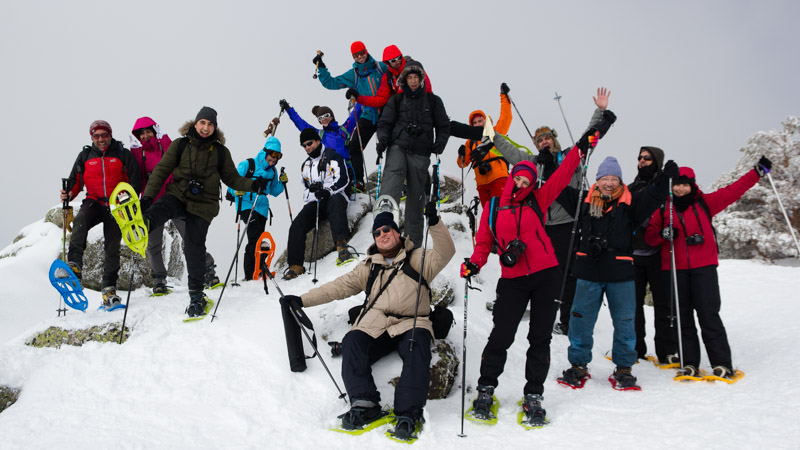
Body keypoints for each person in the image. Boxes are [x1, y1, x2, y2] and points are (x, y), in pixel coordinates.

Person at [280, 203, 455, 439]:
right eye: (377, 232)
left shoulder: (418, 258)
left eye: (386, 229)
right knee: (353, 341)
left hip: (412, 323)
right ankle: (365, 403)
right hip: (377, 325)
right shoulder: (369, 266)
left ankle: (408, 413)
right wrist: (302, 300)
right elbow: (338, 287)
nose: (382, 235)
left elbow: (446, 253)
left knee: (416, 348)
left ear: (397, 232)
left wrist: (434, 223)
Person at [459, 129, 596, 426]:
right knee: (501, 337)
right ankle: (486, 389)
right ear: (511, 178)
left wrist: (585, 142)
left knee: (539, 339)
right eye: (518, 179)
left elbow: (564, 172)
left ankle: (534, 394)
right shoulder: (494, 208)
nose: (521, 184)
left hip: (546, 276)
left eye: (527, 181)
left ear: (532, 184)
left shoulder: (539, 198)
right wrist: (473, 264)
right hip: (513, 280)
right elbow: (483, 244)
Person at [555, 155, 678, 390]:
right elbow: (557, 186)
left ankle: (624, 368)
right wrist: (552, 164)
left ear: (619, 181)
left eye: (614, 178)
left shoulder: (632, 204)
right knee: (580, 320)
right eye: (605, 178)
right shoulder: (583, 200)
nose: (609, 183)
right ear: (598, 181)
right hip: (588, 270)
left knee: (625, 322)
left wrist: (665, 178)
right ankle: (578, 365)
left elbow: (653, 195)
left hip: (620, 272)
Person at [644, 157, 771, 379]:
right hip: (675, 270)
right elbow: (650, 236)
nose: (681, 188)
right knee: (682, 318)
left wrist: (756, 172)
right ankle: (689, 363)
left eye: (685, 184)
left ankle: (722, 364)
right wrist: (662, 234)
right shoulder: (663, 208)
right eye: (677, 184)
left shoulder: (705, 203)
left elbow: (734, 190)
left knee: (709, 316)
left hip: (704, 268)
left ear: (692, 185)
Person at [140, 107, 265, 317]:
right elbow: (161, 170)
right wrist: (147, 198)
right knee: (164, 205)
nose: (206, 128)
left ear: (215, 127)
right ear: (195, 123)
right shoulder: (180, 145)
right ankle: (143, 224)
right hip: (179, 194)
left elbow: (232, 179)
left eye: (210, 124)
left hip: (204, 205)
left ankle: (196, 296)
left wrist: (254, 185)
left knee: (193, 248)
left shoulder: (220, 152)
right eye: (202, 123)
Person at [130, 116, 219, 294]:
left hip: (175, 198)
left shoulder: (168, 144)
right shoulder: (138, 153)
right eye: (142, 134)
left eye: (148, 132)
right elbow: (136, 177)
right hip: (154, 203)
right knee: (153, 244)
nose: (146, 136)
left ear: (155, 131)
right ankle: (159, 279)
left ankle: (208, 270)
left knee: (191, 238)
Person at [60, 120, 141, 307]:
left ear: (110, 135)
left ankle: (109, 289)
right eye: (96, 136)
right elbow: (75, 181)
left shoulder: (123, 154)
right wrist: (69, 194)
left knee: (112, 246)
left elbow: (135, 182)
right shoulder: (85, 155)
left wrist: (127, 199)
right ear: (91, 137)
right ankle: (74, 267)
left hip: (116, 206)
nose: (101, 139)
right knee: (80, 223)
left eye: (104, 135)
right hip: (94, 202)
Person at [376, 61, 450, 248]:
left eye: (416, 77)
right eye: (410, 77)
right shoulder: (397, 100)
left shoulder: (434, 101)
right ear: (404, 79)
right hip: (398, 146)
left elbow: (444, 125)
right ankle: (383, 232)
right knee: (393, 178)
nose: (413, 81)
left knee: (417, 197)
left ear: (422, 79)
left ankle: (413, 245)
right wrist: (383, 141)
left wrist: (439, 144)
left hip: (421, 152)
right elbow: (385, 123)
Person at [314, 41, 387, 191]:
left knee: (391, 145)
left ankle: (400, 180)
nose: (360, 57)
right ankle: (358, 181)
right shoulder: (354, 74)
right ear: (353, 57)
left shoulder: (380, 68)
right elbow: (331, 83)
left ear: (366, 51)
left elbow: (396, 74)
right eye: (356, 55)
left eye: (362, 53)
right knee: (354, 147)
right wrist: (321, 67)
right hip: (368, 115)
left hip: (386, 113)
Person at [628, 146, 677, 363]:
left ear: (656, 161)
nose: (642, 161)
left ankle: (666, 350)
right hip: (634, 254)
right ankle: (635, 348)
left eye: (647, 158)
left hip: (660, 253)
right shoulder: (631, 188)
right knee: (633, 304)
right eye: (639, 158)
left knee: (664, 303)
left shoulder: (667, 187)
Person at [283, 128, 352, 280]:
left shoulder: (332, 155)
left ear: (318, 141)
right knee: (297, 224)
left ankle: (342, 246)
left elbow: (343, 179)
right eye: (304, 145)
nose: (308, 147)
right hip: (318, 201)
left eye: (310, 143)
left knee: (335, 202)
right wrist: (315, 192)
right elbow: (306, 192)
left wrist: (328, 190)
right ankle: (295, 265)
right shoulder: (305, 166)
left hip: (336, 196)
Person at [225, 136, 285, 279]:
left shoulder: (273, 172)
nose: (271, 163)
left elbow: (274, 191)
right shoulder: (248, 165)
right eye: (270, 160)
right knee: (254, 237)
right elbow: (232, 183)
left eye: (274, 161)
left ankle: (259, 268)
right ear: (265, 153)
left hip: (262, 208)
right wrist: (238, 191)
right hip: (246, 204)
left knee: (260, 238)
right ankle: (251, 273)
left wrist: (282, 182)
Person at [277, 100, 360, 190]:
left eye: (326, 116)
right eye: (320, 118)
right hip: (329, 171)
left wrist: (360, 96)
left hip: (346, 169)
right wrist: (289, 109)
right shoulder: (319, 135)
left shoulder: (344, 130)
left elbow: (355, 114)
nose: (323, 119)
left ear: (332, 116)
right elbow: (301, 124)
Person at [455, 83, 512, 205]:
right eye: (474, 122)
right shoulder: (470, 142)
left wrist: (504, 96)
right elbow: (462, 164)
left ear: (485, 121)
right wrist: (461, 154)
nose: (477, 124)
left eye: (480, 120)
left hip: (499, 178)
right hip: (482, 184)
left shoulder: (495, 133)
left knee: (500, 209)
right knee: (487, 213)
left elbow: (506, 117)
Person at [348, 44, 433, 110]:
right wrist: (359, 97)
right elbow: (381, 99)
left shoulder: (413, 67)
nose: (397, 61)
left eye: (399, 58)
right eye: (393, 60)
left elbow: (427, 87)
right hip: (403, 112)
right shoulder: (388, 77)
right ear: (388, 63)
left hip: (421, 107)